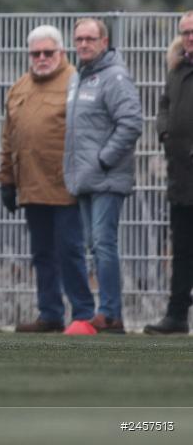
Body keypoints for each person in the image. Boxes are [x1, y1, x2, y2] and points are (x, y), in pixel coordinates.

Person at [0, 25, 95, 333]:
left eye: (48, 52)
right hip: (31, 184)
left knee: (70, 251)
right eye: (35, 53)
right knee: (42, 254)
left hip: (67, 185)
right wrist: (6, 180)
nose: (41, 58)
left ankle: (83, 314)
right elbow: (8, 138)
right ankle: (50, 313)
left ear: (62, 53)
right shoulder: (19, 87)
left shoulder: (76, 82)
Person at [63, 17, 142, 334]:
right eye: (79, 38)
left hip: (106, 177)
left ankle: (110, 313)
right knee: (94, 245)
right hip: (85, 178)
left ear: (104, 43)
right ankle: (107, 312)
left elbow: (131, 123)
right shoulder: (78, 77)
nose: (83, 44)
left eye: (90, 39)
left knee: (104, 244)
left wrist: (103, 159)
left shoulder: (114, 77)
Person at [145, 11, 193, 335]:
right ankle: (176, 316)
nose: (189, 38)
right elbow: (164, 106)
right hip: (181, 175)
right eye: (185, 33)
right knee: (183, 251)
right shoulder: (176, 70)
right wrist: (164, 133)